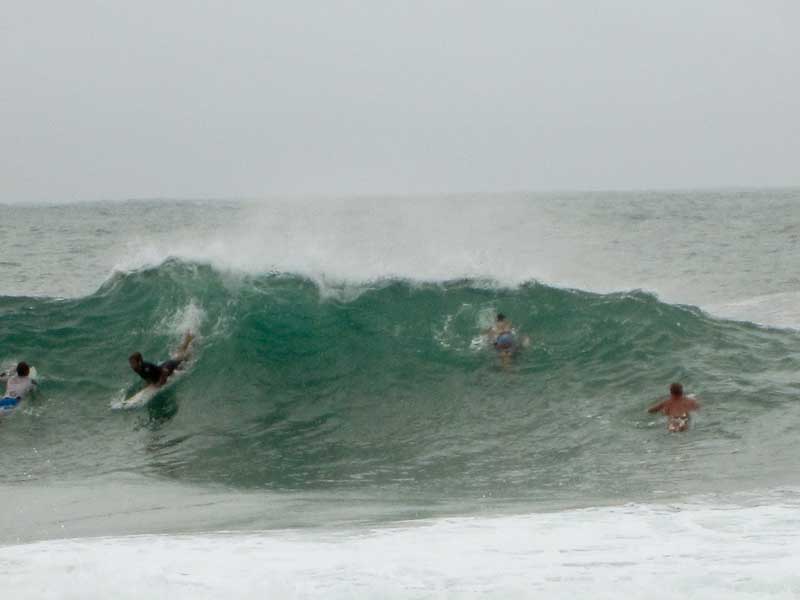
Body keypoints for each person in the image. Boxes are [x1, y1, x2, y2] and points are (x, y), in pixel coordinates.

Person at [129, 332, 194, 387]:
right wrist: (149, 383)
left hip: (169, 366)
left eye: (133, 363)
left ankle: (189, 341)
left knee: (184, 358)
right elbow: (147, 376)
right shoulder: (137, 369)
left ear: (139, 362)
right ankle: (187, 340)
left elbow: (165, 371)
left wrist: (160, 383)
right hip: (163, 365)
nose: (131, 365)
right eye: (131, 363)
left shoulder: (146, 367)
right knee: (179, 355)